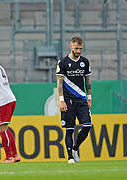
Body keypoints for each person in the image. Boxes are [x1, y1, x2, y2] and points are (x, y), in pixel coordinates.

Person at [56, 36, 92, 164]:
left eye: (80, 48)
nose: (78, 51)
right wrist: (61, 100)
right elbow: (59, 83)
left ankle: (75, 148)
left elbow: (87, 81)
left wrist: (89, 97)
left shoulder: (85, 62)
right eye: (76, 48)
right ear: (71, 46)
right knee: (69, 129)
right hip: (68, 100)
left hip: (82, 99)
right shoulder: (63, 62)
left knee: (87, 126)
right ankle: (70, 157)